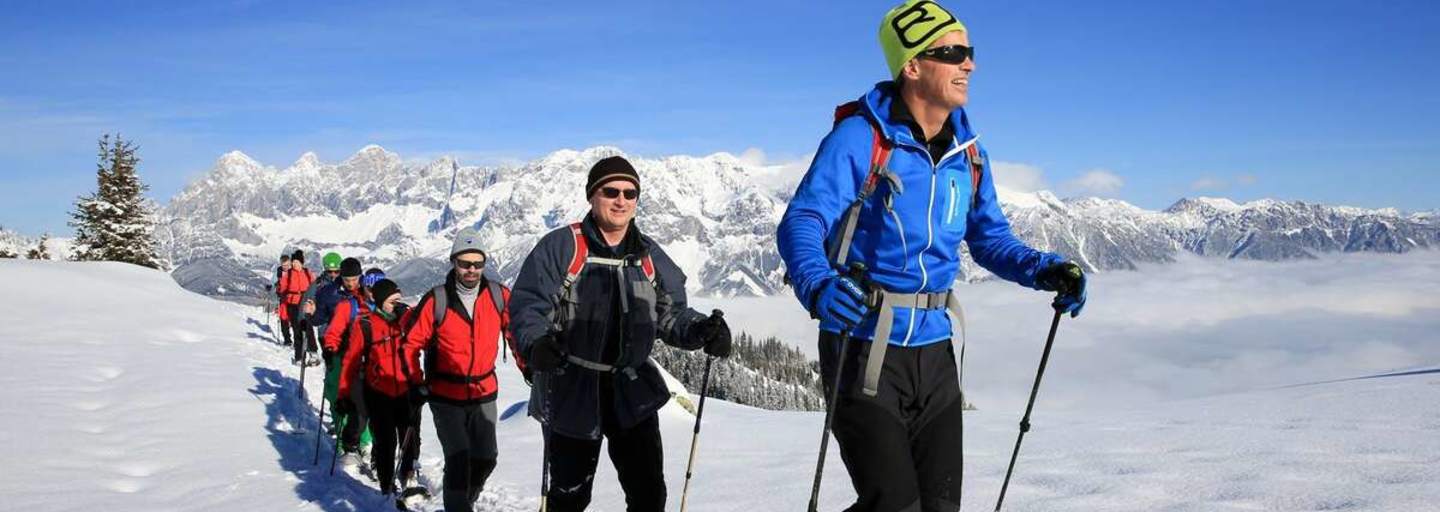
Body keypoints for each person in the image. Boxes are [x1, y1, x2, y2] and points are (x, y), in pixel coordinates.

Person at [775, 2, 1088, 510]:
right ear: (912, 65)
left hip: (936, 351)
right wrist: (817, 283)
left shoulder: (969, 151)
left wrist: (1043, 268)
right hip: (863, 345)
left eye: (970, 52)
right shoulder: (861, 137)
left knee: (940, 506)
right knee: (895, 504)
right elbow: (803, 220)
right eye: (954, 53)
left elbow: (988, 239)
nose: (970, 64)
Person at [510, 155, 733, 511]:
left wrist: (701, 330)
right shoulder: (562, 247)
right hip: (571, 389)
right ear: (592, 196)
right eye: (610, 191)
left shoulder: (649, 255)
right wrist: (537, 343)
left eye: (630, 193)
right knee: (570, 496)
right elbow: (529, 304)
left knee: (648, 495)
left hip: (633, 390)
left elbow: (669, 314)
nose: (621, 200)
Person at [401, 228, 513, 512]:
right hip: (445, 394)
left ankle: (466, 500)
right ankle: (457, 508)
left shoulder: (499, 296)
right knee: (458, 457)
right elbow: (409, 345)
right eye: (465, 263)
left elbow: (514, 334)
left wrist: (530, 367)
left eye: (477, 263)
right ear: (453, 262)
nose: (471, 269)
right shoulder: (436, 300)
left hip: (484, 391)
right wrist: (415, 382)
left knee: (487, 457)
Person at [331, 277, 424, 499]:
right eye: (393, 302)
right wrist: (344, 393)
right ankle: (386, 484)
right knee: (385, 441)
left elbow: (426, 336)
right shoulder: (366, 325)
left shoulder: (408, 321)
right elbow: (351, 362)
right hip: (379, 392)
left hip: (407, 389)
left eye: (400, 300)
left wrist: (420, 385)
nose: (398, 305)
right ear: (381, 302)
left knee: (411, 436)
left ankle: (409, 475)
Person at [321, 258, 378, 463]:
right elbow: (333, 331)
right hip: (343, 357)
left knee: (365, 403)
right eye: (348, 279)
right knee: (340, 398)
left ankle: (365, 441)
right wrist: (329, 349)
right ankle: (345, 442)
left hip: (368, 362)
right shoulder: (347, 304)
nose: (351, 283)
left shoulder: (376, 305)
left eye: (355, 279)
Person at [277, 250, 315, 354]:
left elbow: (314, 287)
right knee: (296, 328)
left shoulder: (307, 273)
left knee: (307, 326)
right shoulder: (288, 274)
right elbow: (282, 288)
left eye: (296, 262)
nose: (294, 264)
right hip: (292, 304)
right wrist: (281, 291)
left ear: (301, 263)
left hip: (304, 302)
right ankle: (298, 354)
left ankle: (312, 351)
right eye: (293, 262)